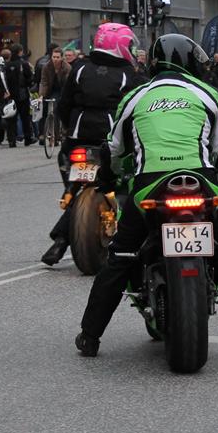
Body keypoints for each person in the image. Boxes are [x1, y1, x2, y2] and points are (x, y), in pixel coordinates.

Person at [74, 34, 218, 360]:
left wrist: (113, 176)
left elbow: (114, 149)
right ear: (189, 63)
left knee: (119, 259)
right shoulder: (208, 95)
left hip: (149, 189)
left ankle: (90, 337)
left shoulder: (136, 97)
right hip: (200, 185)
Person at [41, 23, 145, 266]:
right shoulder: (130, 75)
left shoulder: (79, 68)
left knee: (72, 181)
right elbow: (138, 111)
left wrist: (69, 130)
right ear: (120, 46)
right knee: (130, 182)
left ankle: (60, 239)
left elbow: (64, 105)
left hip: (77, 140)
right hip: (111, 140)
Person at [38, 47, 71, 143]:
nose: (55, 59)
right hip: (52, 90)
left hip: (63, 89)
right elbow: (43, 82)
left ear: (61, 58)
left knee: (61, 110)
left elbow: (68, 83)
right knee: (49, 110)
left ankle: (64, 131)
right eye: (53, 57)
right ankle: (50, 135)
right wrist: (41, 95)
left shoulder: (67, 67)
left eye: (57, 57)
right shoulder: (46, 67)